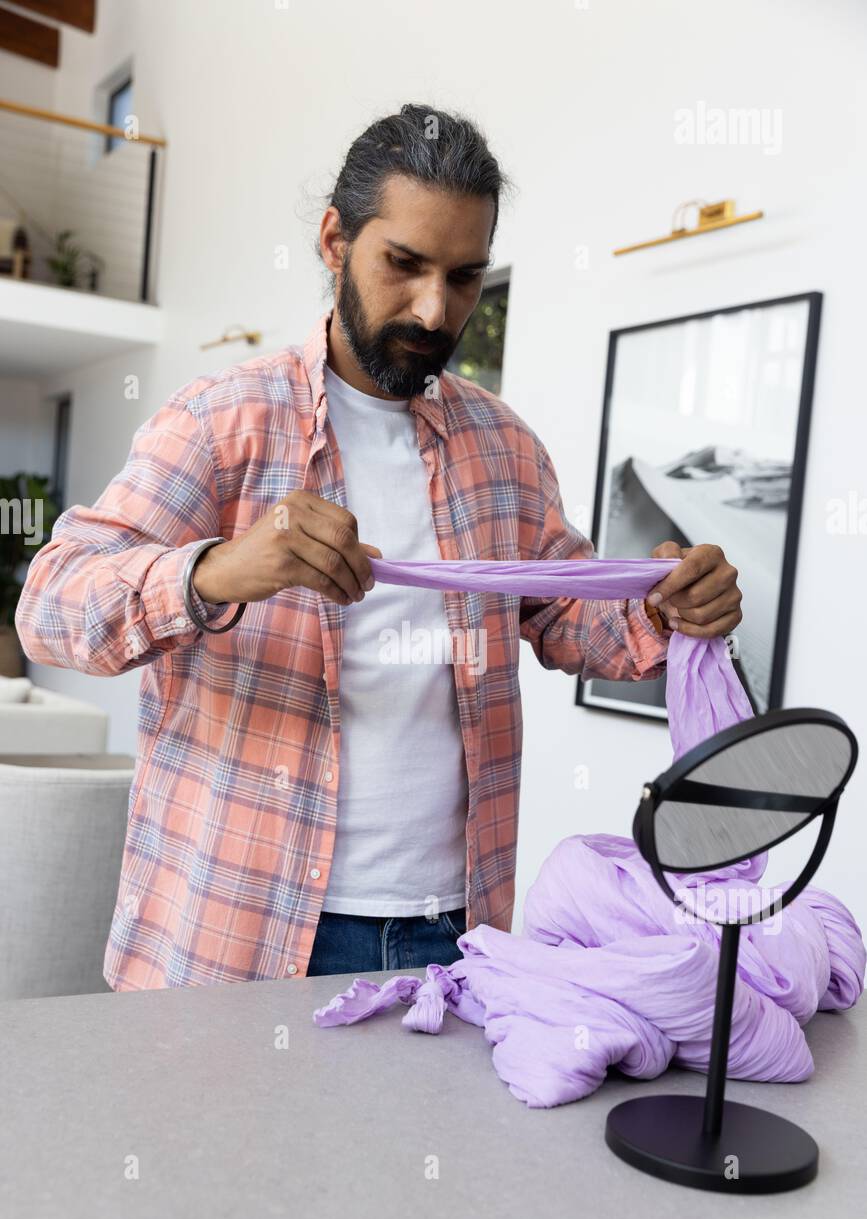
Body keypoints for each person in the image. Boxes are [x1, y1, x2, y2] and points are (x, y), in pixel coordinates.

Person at [15, 104, 741, 990]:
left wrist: (661, 607)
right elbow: (52, 606)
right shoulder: (221, 421)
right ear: (333, 239)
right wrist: (217, 570)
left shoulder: (503, 447)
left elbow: (565, 618)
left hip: (453, 926)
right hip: (238, 927)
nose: (435, 309)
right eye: (404, 264)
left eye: (465, 277)